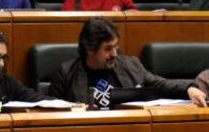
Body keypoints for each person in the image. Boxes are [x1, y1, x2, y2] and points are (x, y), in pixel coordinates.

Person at [49, 17, 207, 108]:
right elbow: (53, 112)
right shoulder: (66, 73)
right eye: (108, 49)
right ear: (90, 49)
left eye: (115, 46)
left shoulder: (130, 65)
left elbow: (160, 85)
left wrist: (188, 89)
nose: (114, 54)